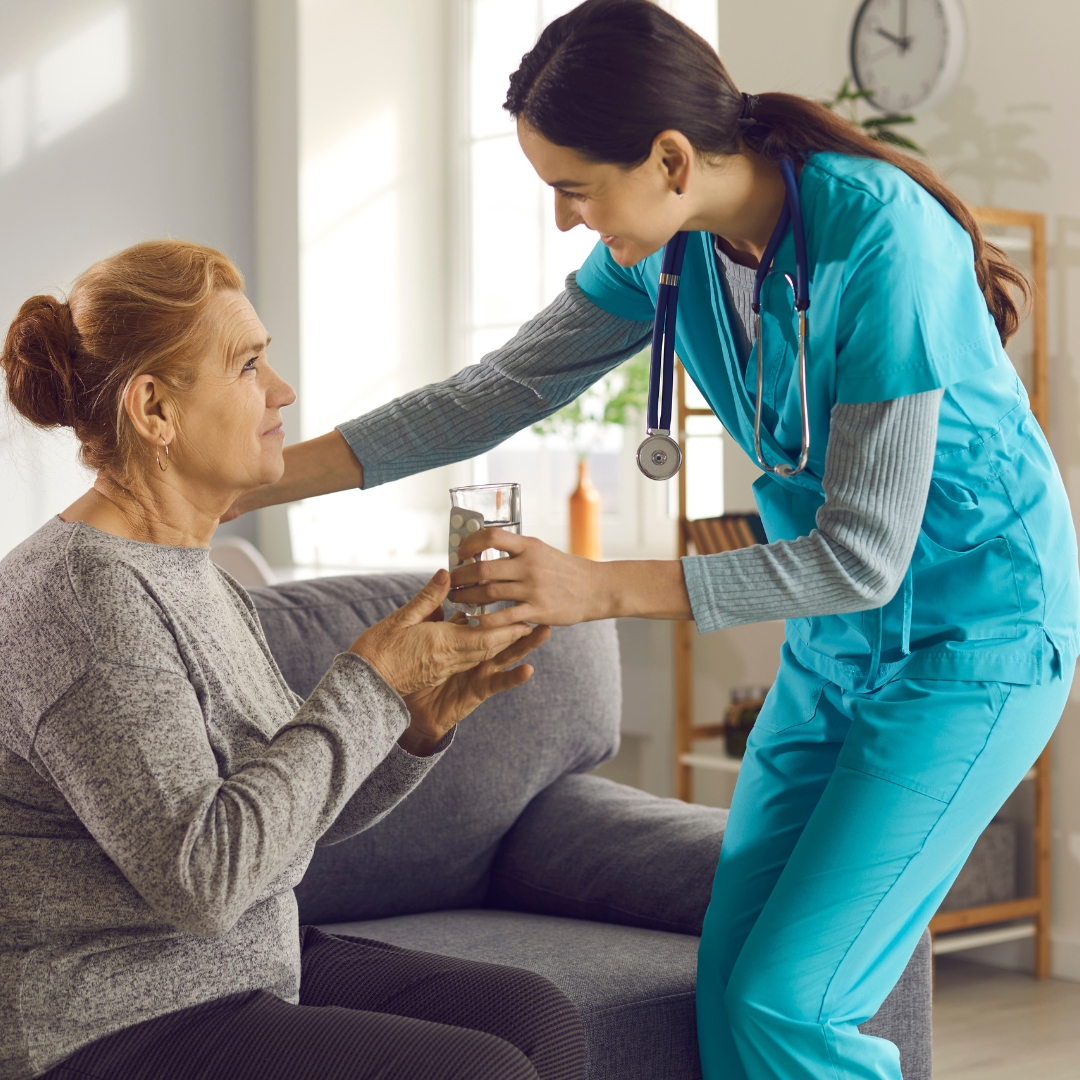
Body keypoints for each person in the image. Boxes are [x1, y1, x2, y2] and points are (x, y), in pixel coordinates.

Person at [227, 2, 1080, 1078]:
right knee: (732, 990)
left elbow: (865, 555)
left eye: (573, 190)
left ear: (670, 158)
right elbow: (495, 391)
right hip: (836, 649)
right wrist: (247, 485)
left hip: (975, 644)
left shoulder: (882, 238)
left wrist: (598, 586)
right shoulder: (673, 257)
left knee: (791, 1004)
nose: (565, 220)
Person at [0, 240, 586, 1080]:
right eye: (247, 366)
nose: (283, 390)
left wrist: (410, 726)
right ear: (154, 409)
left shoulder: (187, 568)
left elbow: (284, 826)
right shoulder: (81, 599)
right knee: (475, 1070)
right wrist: (369, 682)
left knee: (533, 1017)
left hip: (239, 967)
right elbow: (205, 878)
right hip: (113, 1016)